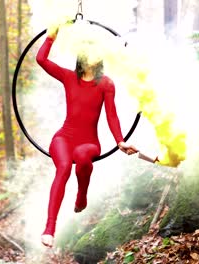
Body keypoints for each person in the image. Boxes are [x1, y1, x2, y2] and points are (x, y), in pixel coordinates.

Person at [36, 26, 138, 248]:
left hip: (89, 143)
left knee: (82, 156)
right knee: (63, 168)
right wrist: (51, 36)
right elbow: (41, 59)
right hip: (63, 138)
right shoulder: (68, 77)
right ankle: (49, 228)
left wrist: (120, 141)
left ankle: (81, 195)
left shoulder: (106, 84)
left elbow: (112, 115)